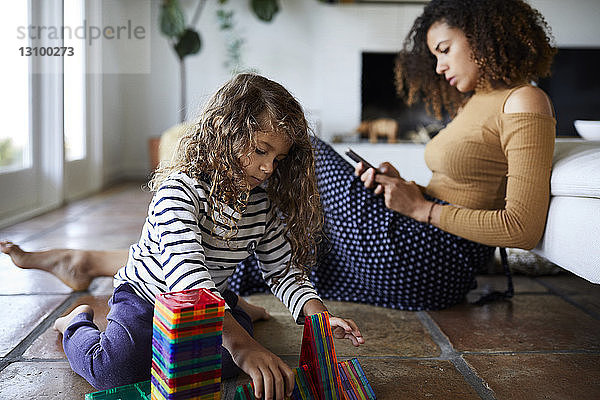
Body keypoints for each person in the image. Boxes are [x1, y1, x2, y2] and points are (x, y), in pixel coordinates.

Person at [2, 0, 556, 319]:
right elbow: (464, 183)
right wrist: (402, 184)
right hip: (414, 234)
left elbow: (523, 228)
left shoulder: (524, 101)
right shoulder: (479, 101)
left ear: (482, 37)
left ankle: (178, 192)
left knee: (299, 147)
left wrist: (422, 210)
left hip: (430, 257)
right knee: (273, 241)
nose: (437, 67)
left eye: (444, 49)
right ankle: (99, 263)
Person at [2, 74, 365, 400]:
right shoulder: (179, 192)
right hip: (148, 295)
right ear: (227, 135)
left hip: (207, 300)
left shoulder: (263, 205)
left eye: (279, 158)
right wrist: (242, 345)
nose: (268, 168)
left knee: (220, 368)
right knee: (113, 371)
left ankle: (234, 308)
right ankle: (75, 323)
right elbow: (187, 278)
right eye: (259, 150)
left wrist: (317, 315)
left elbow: (282, 270)